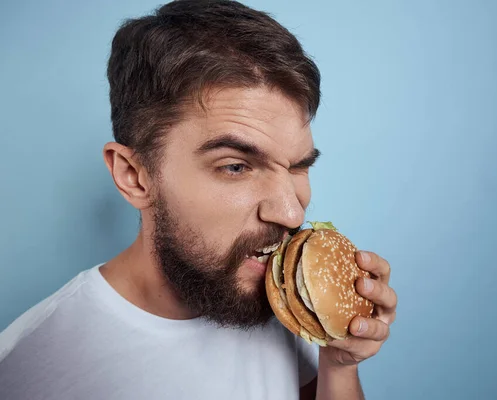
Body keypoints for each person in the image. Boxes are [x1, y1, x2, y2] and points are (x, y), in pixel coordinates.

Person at [0, 1, 397, 399]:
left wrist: (339, 363)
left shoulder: (276, 299)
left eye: (297, 166)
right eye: (236, 167)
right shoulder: (30, 365)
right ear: (134, 176)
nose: (292, 214)